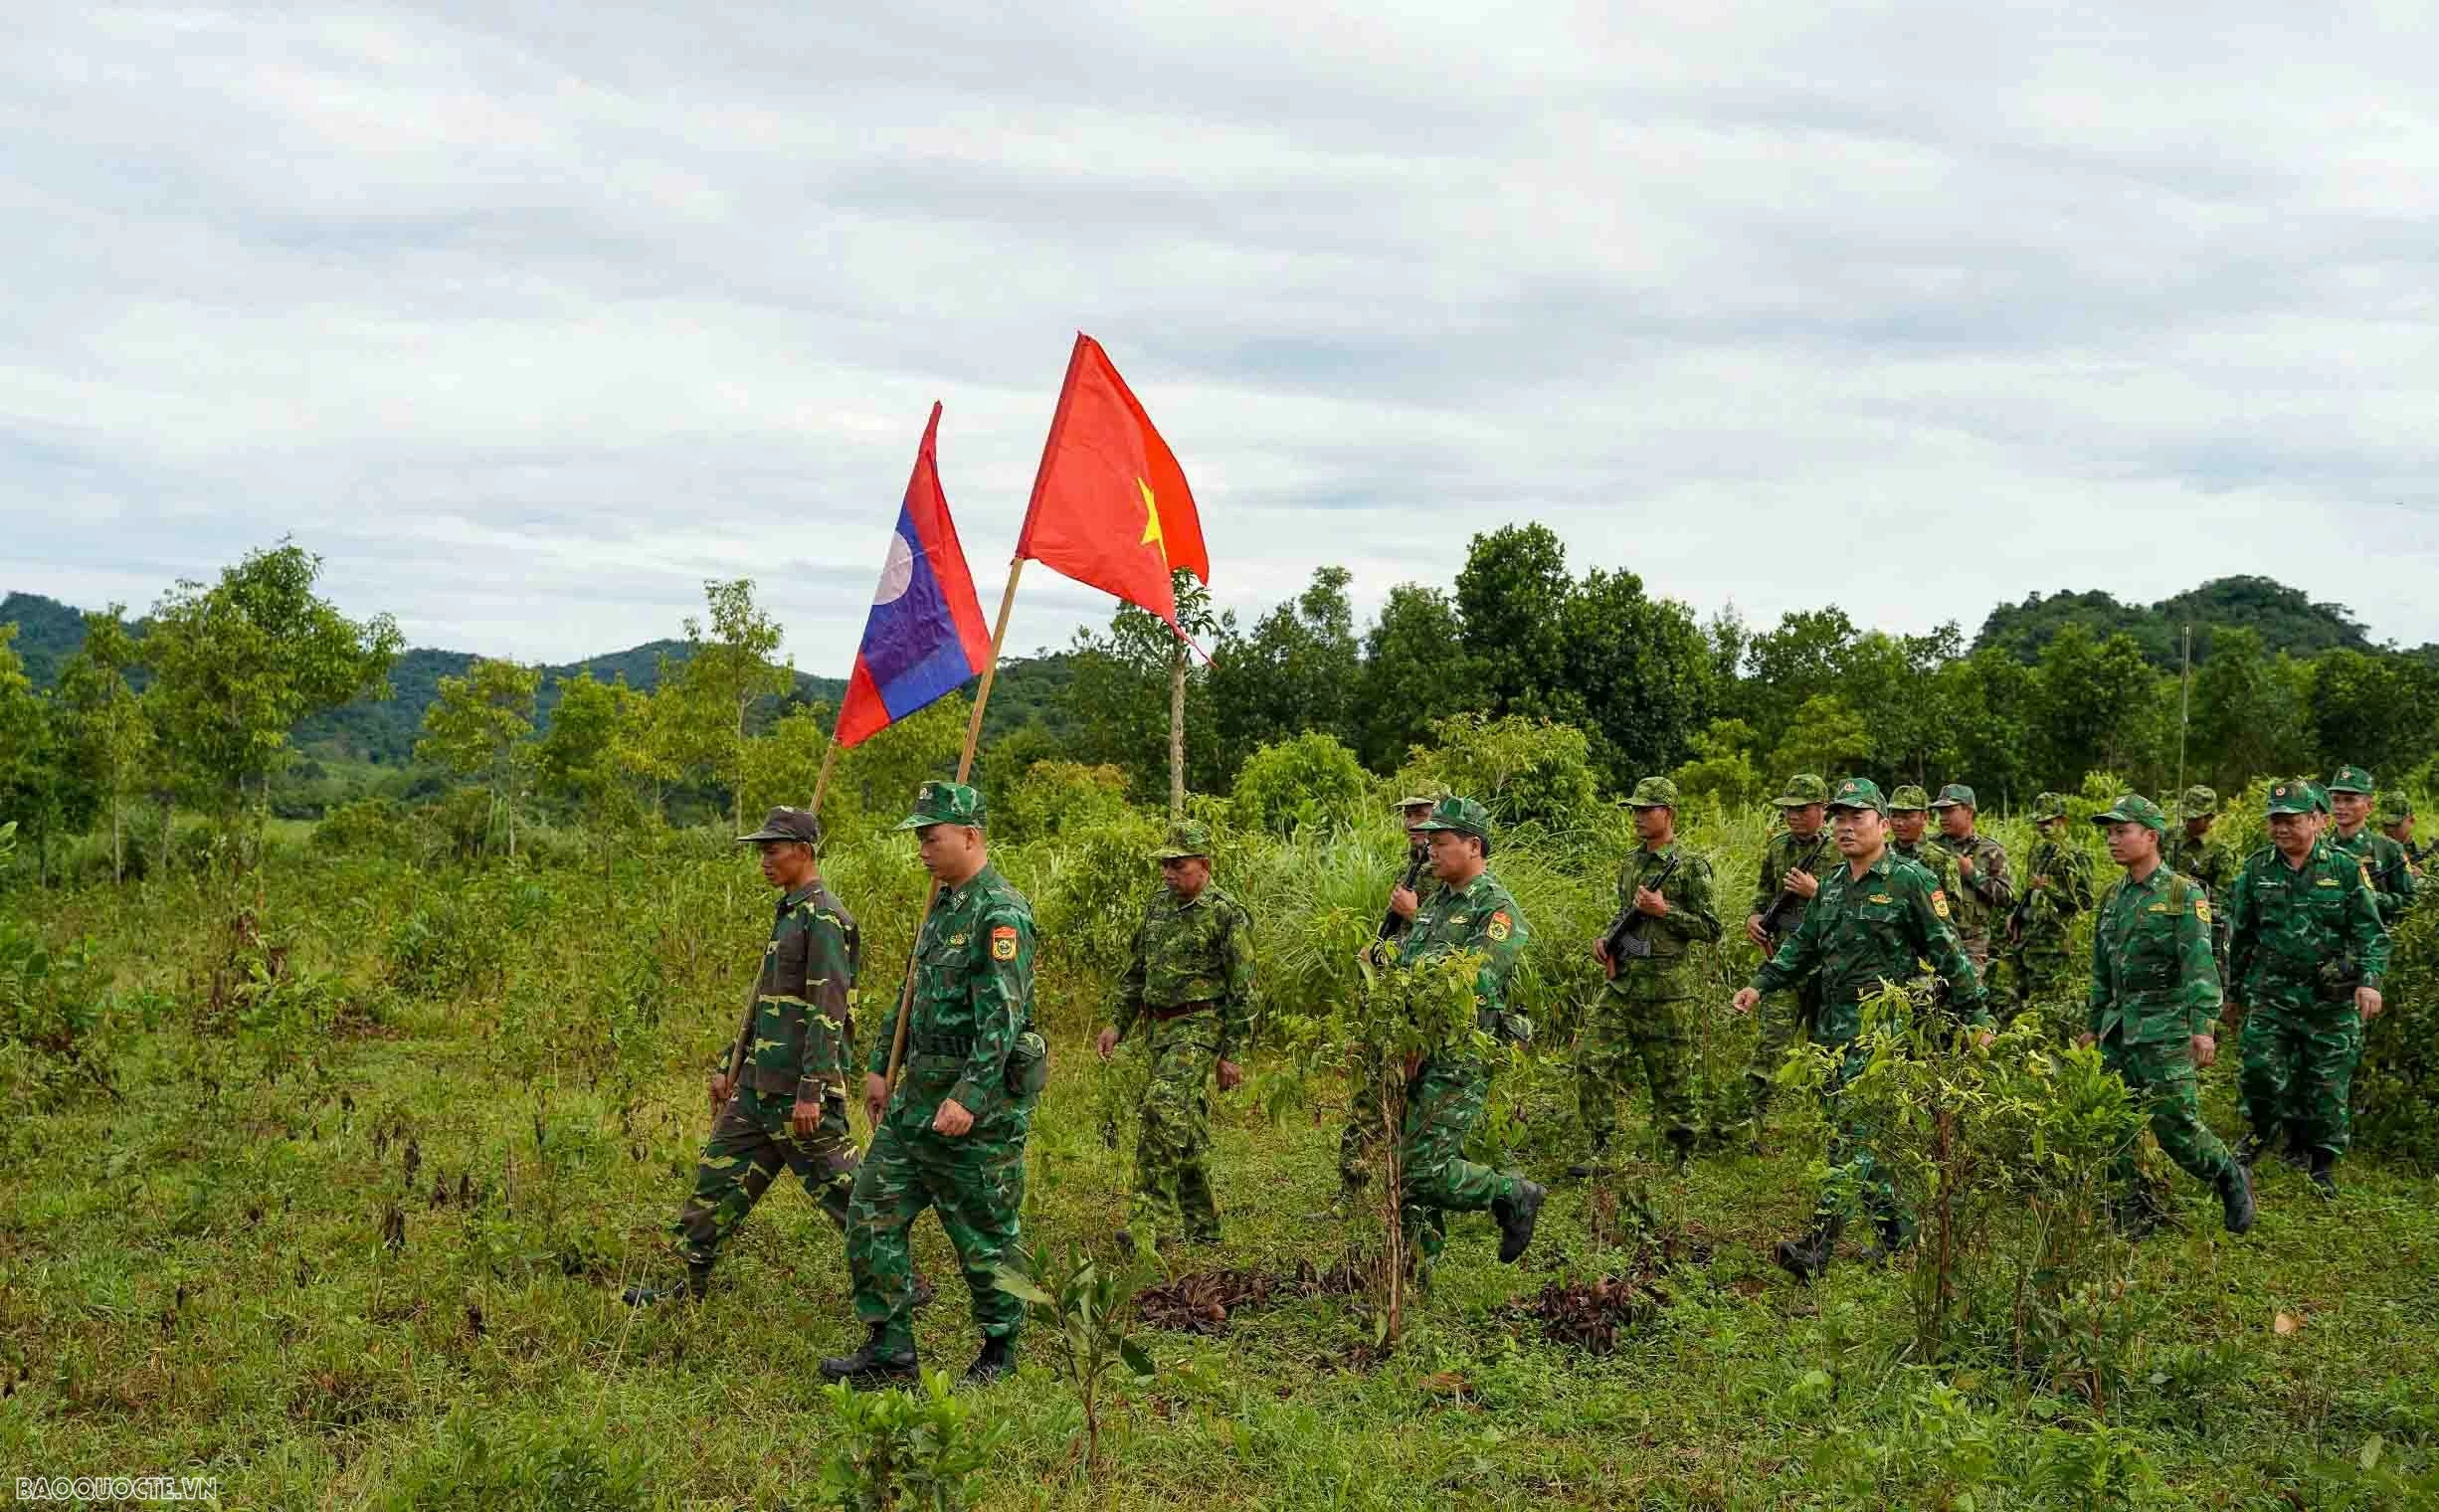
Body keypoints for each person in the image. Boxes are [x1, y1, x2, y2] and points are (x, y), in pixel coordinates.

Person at [823, 782, 1047, 1389]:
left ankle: (1000, 1349)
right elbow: (912, 991)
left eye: (932, 836)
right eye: (919, 837)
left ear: (970, 837)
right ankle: (891, 1352)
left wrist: (969, 1099)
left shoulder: (999, 912)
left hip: (971, 1111)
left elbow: (1003, 1020)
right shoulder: (941, 906)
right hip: (914, 1102)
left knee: (983, 1236)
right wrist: (879, 1065)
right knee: (870, 1215)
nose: (922, 848)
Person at [1734, 778, 1989, 1281]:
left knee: (1850, 1137)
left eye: (1857, 818)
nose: (1845, 828)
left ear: (1882, 826)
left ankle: (1819, 1244)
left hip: (1880, 1032)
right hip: (1831, 1032)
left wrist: (1977, 1015)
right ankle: (1899, 1234)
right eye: (1839, 819)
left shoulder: (1910, 882)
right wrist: (1760, 985)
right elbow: (1803, 947)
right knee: (1849, 1136)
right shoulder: (1830, 885)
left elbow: (1949, 952)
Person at [626, 807, 866, 1306]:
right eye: (761, 851)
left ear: (803, 852)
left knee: (851, 1201)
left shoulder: (825, 918)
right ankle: (684, 1286)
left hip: (801, 1098)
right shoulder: (790, 913)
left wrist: (812, 1091)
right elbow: (767, 1004)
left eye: (772, 850)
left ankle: (903, 1288)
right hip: (758, 1089)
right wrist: (729, 1064)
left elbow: (829, 1011)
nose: (764, 861)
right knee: (713, 1185)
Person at [1382, 797, 1545, 1267]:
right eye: (1428, 840)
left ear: (1473, 845)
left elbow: (1478, 978)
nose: (1431, 850)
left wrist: (1415, 940)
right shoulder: (1438, 902)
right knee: (1409, 1161)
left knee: (1424, 1170)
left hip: (1462, 1051)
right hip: (1423, 1046)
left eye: (1442, 841)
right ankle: (1415, 1267)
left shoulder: (1497, 908)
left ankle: (1511, 1192)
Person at [2081, 795, 2254, 1237]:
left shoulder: (2182, 894)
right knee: (2111, 1124)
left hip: (2164, 1028)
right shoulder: (2112, 898)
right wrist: (2091, 1025)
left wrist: (2203, 1029)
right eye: (2110, 833)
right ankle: (2130, 1211)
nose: (2113, 840)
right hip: (2118, 1029)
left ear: (2151, 836)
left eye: (2122, 832)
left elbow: (2200, 965)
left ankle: (2229, 1177)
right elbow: (2104, 969)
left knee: (2176, 1127)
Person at [1095, 821, 1255, 1253]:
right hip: (1158, 1029)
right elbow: (1136, 971)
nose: (1168, 873)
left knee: (1160, 1109)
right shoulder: (1158, 907)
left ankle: (1149, 1224)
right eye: (1164, 864)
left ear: (1204, 864)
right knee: (1186, 1123)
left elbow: (1243, 989)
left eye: (1177, 865)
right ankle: (1205, 1226)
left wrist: (1232, 1054)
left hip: (1201, 1028)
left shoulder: (1226, 913)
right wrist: (1117, 1023)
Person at [2223, 780, 2388, 1199]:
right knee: (2259, 1071)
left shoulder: (2346, 869)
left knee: (2327, 1081)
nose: (2281, 829)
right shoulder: (2256, 871)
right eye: (2275, 821)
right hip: (2272, 994)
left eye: (2291, 820)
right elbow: (2240, 936)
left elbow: (2371, 933)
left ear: (2316, 820)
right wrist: (2232, 994)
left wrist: (2369, 983)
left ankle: (2322, 1160)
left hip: (2328, 999)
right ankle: (2262, 1134)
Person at [1574, 777, 1722, 1175]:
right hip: (1624, 982)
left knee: (1671, 1074)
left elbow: (1711, 928)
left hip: (1668, 989)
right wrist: (1605, 940)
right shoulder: (1630, 862)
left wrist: (1665, 911)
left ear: (1668, 813)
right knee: (1591, 1059)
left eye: (1646, 810)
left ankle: (1682, 1153)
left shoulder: (1691, 866)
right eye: (1635, 810)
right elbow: (1623, 914)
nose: (1638, 817)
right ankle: (1601, 1147)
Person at [1325, 791, 1444, 1216]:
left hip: (1430, 1003)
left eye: (1424, 816)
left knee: (1422, 1097)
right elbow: (1401, 934)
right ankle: (1355, 1191)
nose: (1415, 823)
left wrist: (1414, 917)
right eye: (1410, 815)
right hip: (1396, 995)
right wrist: (1376, 950)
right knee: (1375, 1093)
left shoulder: (1450, 875)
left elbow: (1455, 941)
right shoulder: (1412, 867)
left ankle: (1430, 1192)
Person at [1739, 774, 1831, 1139]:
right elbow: (1763, 894)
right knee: (1770, 1044)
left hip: (1826, 964)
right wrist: (1753, 918)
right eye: (1788, 809)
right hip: (1783, 961)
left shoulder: (1842, 850)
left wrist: (1816, 892)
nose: (1793, 816)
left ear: (1823, 810)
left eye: (1802, 809)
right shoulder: (1778, 848)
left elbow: (1856, 902)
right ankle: (1751, 1125)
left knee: (1828, 1050)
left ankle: (1832, 1128)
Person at [2005, 792, 2096, 1031]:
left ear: (2062, 821)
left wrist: (2050, 888)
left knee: (2050, 1005)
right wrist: (2016, 916)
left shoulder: (2075, 855)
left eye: (2049, 822)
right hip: (2028, 940)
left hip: (2055, 946)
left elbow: (2085, 901)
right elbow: (2030, 892)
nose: (2043, 827)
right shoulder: (2038, 852)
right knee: (2023, 1001)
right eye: (2040, 822)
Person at [1929, 784, 2014, 976]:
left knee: (1969, 999)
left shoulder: (1990, 851)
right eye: (1940, 812)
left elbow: (2007, 897)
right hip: (1933, 942)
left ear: (1968, 811)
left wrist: (1972, 874)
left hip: (1972, 946)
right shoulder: (1930, 848)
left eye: (1949, 811)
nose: (1942, 817)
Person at [2325, 766, 2416, 923]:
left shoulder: (2389, 849)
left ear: (2369, 807)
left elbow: (2411, 902)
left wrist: (2372, 897)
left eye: (2349, 800)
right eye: (2336, 799)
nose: (2340, 806)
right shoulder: (2319, 848)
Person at [2164, 785, 2234, 972]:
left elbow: (2222, 898)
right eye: (2186, 816)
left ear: (2211, 817)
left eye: (2195, 818)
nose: (2189, 822)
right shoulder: (2169, 837)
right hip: (2162, 914)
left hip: (2197, 920)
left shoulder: (2220, 851)